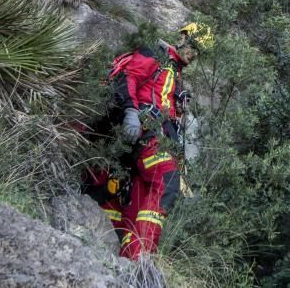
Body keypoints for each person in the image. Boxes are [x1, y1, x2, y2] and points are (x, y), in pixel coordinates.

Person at [85, 22, 211, 260]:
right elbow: (129, 77)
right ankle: (142, 259)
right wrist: (131, 112)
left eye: (198, 52)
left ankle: (131, 262)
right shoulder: (157, 53)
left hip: (151, 137)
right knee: (166, 180)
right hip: (143, 132)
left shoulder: (175, 74)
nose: (193, 54)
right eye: (192, 46)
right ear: (183, 38)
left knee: (135, 198)